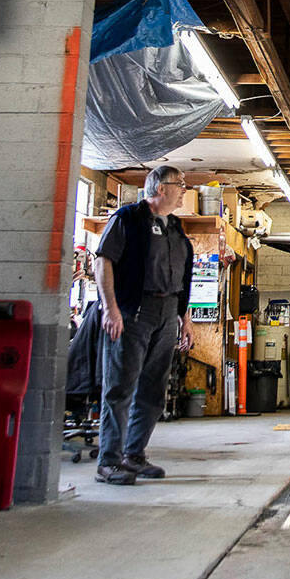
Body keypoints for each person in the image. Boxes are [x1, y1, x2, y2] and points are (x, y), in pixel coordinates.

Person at [92, 165, 194, 484]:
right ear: (161, 188)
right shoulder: (126, 219)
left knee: (153, 389)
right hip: (133, 311)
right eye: (180, 185)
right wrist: (111, 309)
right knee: (121, 386)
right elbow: (103, 260)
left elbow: (182, 276)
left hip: (167, 313)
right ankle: (109, 461)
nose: (184, 191)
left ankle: (133, 454)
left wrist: (185, 317)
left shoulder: (174, 226)